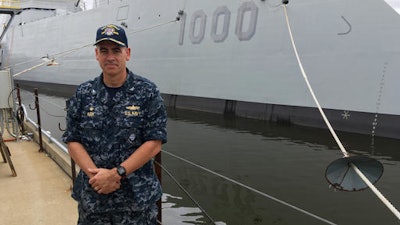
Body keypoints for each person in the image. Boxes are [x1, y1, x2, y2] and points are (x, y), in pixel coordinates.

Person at [62, 24, 167, 225]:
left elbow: (155, 141)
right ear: (97, 55)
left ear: (127, 53)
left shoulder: (147, 92)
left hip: (136, 203)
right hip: (94, 199)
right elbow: (73, 139)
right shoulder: (83, 94)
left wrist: (116, 173)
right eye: (104, 51)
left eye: (116, 50)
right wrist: (97, 177)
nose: (110, 57)